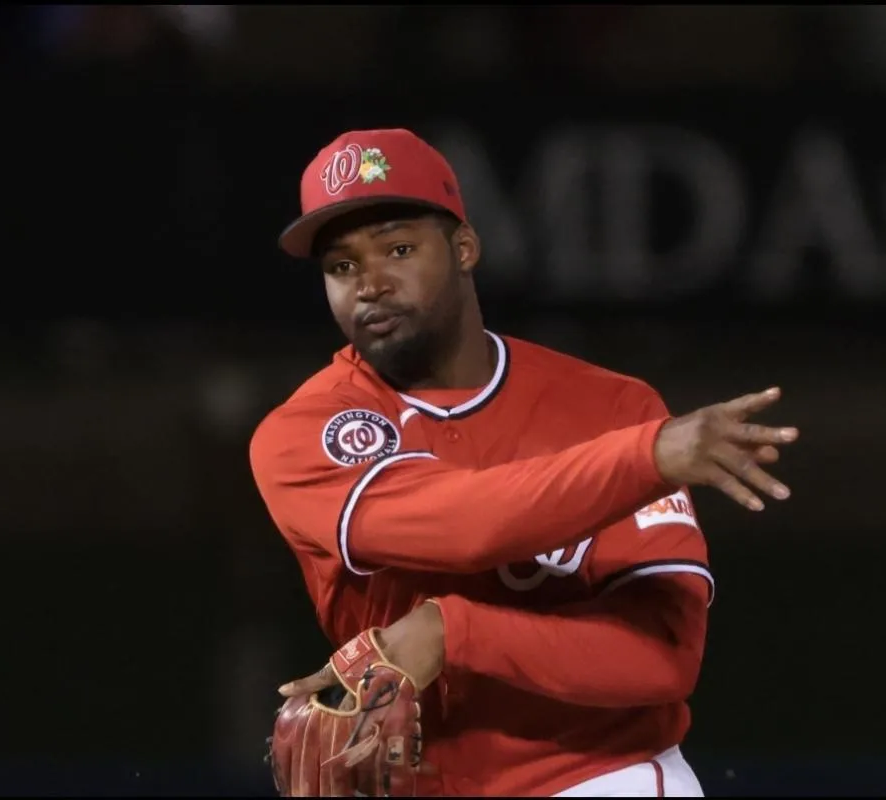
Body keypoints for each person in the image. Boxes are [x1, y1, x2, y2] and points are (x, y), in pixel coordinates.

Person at [248, 128, 799, 797]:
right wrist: (649, 456)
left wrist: (459, 632)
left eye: (397, 248)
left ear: (464, 249)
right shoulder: (305, 434)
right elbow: (464, 525)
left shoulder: (612, 406)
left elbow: (662, 660)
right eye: (341, 266)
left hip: (598, 774)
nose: (369, 285)